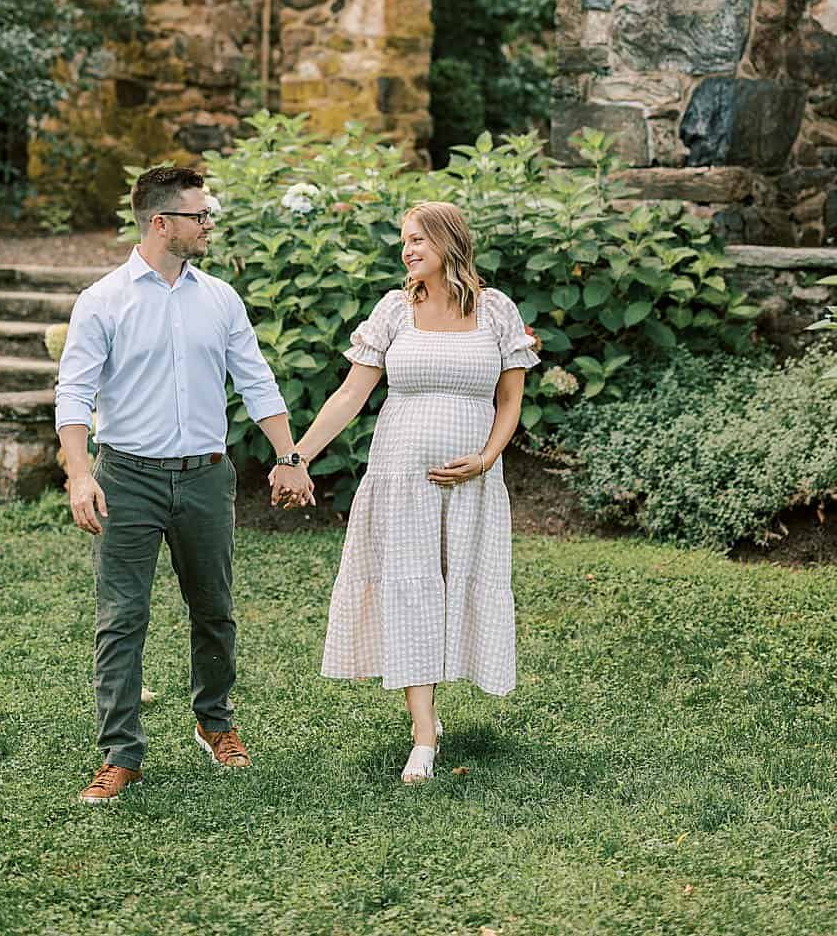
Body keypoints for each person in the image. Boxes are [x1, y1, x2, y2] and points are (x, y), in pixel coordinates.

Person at [56, 165, 308, 808]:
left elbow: (256, 381)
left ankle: (214, 723)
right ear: (161, 223)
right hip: (126, 480)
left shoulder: (219, 299)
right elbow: (75, 393)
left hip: (204, 479)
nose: (209, 225)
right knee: (121, 618)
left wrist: (290, 455)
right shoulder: (103, 301)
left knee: (215, 611)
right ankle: (120, 754)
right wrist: (80, 471)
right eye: (200, 215)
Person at [289, 200, 537, 783]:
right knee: (410, 593)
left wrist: (485, 458)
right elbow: (350, 396)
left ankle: (434, 717)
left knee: (454, 590)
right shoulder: (395, 310)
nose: (407, 251)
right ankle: (424, 734)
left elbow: (509, 401)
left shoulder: (496, 310)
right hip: (400, 481)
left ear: (449, 242)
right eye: (404, 241)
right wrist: (298, 454)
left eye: (419, 240)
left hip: (473, 486)